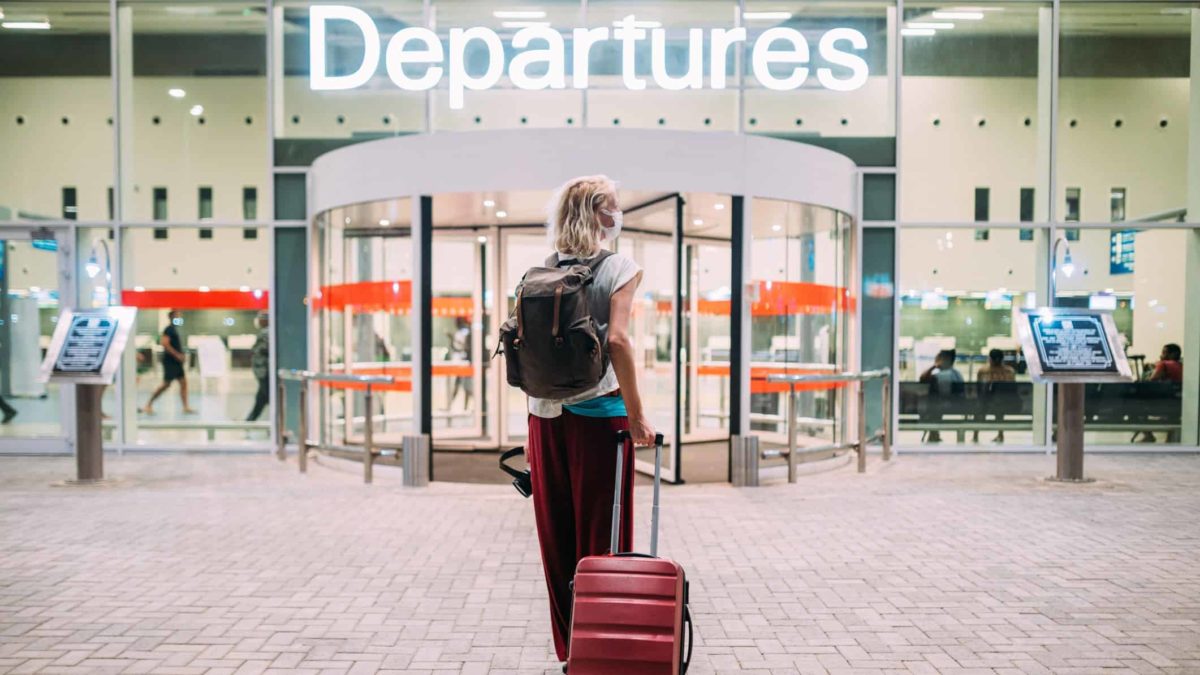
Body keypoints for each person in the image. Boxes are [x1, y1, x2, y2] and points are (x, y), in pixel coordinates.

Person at [523, 175, 654, 670]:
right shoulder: (619, 266)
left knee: (556, 537)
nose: (618, 215)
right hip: (599, 417)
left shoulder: (542, 268)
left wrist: (529, 437)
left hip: (544, 417)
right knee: (604, 536)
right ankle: (604, 648)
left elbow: (531, 356)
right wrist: (638, 418)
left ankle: (570, 650)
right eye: (613, 207)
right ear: (598, 214)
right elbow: (617, 341)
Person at [141, 310, 195, 415]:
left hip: (177, 362)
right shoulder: (168, 329)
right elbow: (164, 343)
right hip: (171, 362)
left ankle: (185, 407)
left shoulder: (174, 329)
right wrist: (177, 355)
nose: (179, 318)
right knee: (166, 384)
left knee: (184, 383)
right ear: (172, 317)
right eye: (177, 316)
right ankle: (148, 404)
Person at [1140, 343, 1183, 443]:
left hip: (1161, 403)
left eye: (1164, 352)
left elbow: (1152, 380)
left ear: (1173, 354)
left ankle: (1148, 435)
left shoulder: (1163, 364)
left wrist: (1151, 370)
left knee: (1136, 408)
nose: (1161, 355)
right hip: (1177, 404)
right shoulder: (1182, 366)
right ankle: (1170, 439)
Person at [919, 349, 964, 443]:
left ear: (943, 360)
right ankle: (934, 434)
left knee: (931, 404)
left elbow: (922, 378)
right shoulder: (958, 374)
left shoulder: (939, 376)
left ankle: (934, 433)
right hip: (957, 406)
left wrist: (934, 366)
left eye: (937, 359)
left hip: (942, 407)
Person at [974, 348, 1015, 444]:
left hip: (987, 403)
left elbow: (978, 388)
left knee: (981, 408)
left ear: (989, 359)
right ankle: (1000, 434)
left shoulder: (983, 371)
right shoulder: (1009, 371)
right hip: (1005, 403)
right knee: (1000, 407)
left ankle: (975, 434)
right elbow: (1012, 388)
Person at [245, 313, 270, 422]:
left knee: (267, 397)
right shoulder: (266, 332)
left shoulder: (266, 333)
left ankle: (278, 424)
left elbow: (263, 350)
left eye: (260, 319)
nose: (258, 321)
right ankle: (249, 421)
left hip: (265, 372)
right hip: (263, 372)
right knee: (261, 398)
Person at [446, 317, 472, 411]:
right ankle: (450, 406)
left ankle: (465, 407)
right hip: (461, 362)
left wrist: (453, 339)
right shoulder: (460, 332)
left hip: (464, 361)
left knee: (466, 386)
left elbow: (464, 347)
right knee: (459, 385)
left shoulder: (466, 332)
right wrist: (451, 340)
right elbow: (456, 347)